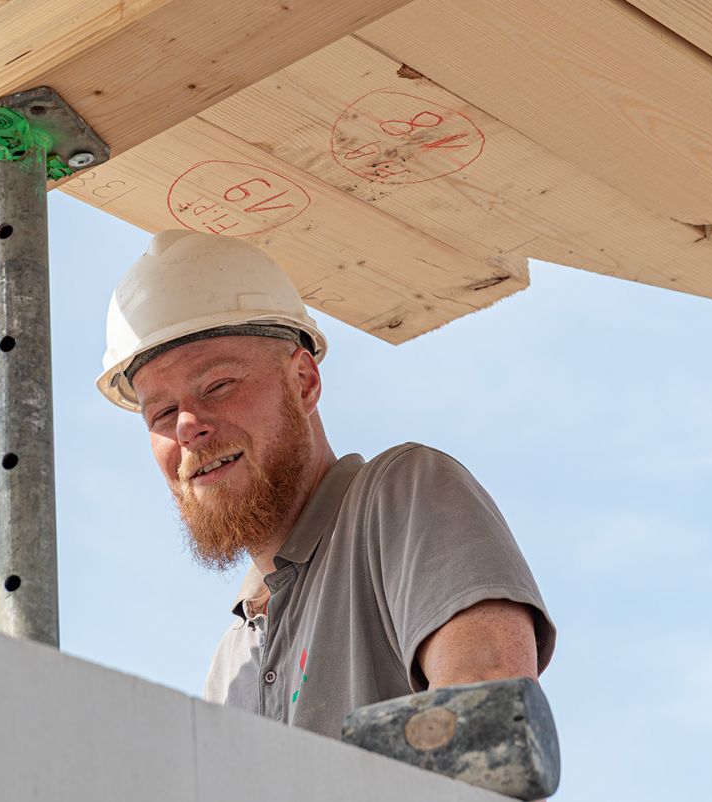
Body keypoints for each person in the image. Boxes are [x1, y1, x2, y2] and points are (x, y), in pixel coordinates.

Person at [97, 229, 555, 738]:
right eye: (161, 413)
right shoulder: (232, 665)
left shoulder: (401, 498)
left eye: (218, 385)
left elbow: (488, 728)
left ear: (304, 382)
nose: (187, 427)